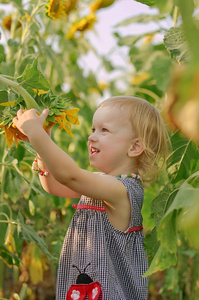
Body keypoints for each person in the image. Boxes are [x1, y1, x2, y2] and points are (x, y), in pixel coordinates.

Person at [13, 96, 168, 300]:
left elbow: (70, 175)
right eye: (93, 129)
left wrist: (35, 134)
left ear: (134, 147)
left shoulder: (122, 191)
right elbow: (54, 184)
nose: (92, 137)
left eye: (104, 130)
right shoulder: (101, 182)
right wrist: (42, 150)